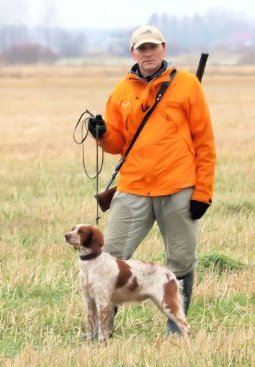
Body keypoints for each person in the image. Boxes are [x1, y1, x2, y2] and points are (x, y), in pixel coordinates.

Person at [88, 25, 216, 336]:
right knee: (110, 258)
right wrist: (101, 135)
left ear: (163, 48)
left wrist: (203, 191)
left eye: (153, 47)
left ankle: (175, 329)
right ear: (133, 52)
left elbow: (205, 141)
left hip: (178, 186)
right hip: (133, 188)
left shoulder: (186, 85)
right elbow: (118, 143)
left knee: (181, 261)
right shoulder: (121, 91)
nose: (148, 53)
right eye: (141, 48)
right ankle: (102, 331)